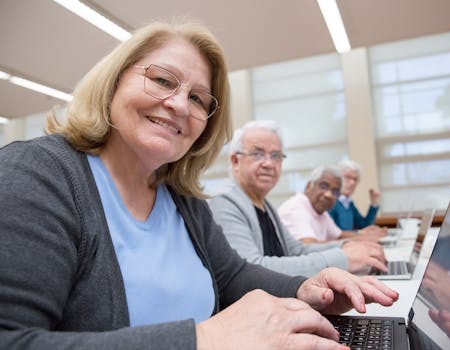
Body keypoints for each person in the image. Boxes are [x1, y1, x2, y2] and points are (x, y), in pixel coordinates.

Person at [0, 21, 399, 349]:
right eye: (161, 80)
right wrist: (201, 340)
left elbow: (232, 278)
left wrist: (306, 288)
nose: (177, 104)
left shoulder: (183, 200)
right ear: (113, 82)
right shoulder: (38, 173)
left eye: (197, 98)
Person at [209, 120, 389, 277]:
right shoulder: (224, 202)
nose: (269, 163)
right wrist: (342, 258)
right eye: (257, 154)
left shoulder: (265, 205)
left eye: (276, 156)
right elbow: (250, 269)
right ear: (235, 161)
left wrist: (347, 246)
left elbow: (295, 250)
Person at [278, 166, 386, 244]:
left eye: (335, 192)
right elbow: (309, 246)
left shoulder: (320, 211)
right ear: (308, 186)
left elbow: (339, 235)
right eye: (323, 186)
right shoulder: (296, 208)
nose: (329, 195)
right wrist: (360, 238)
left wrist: (365, 235)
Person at [329, 160, 386, 239]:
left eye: (355, 179)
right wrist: (360, 233)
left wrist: (374, 203)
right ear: (337, 179)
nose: (352, 183)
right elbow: (333, 234)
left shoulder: (348, 203)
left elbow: (364, 226)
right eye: (348, 177)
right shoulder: (329, 202)